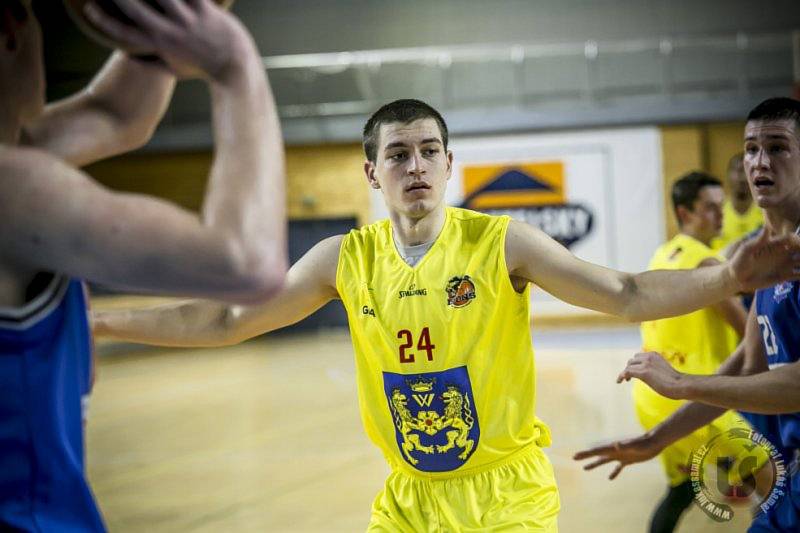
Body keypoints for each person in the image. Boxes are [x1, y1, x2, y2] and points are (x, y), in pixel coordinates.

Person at [94, 98, 800, 531]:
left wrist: (728, 279)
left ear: (450, 162)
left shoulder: (500, 242)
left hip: (506, 497)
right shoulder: (345, 257)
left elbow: (624, 292)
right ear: (372, 172)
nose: (417, 166)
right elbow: (225, 322)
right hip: (408, 500)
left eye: (429, 150)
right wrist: (102, 324)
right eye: (398, 154)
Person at [0, 0, 288, 530]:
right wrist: (234, 64)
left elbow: (117, 115)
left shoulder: (19, 160)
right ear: (13, 27)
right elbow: (248, 264)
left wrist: (172, 21)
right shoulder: (14, 191)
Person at [574, 97, 800, 533]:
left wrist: (681, 385)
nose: (759, 162)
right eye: (751, 148)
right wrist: (657, 438)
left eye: (777, 148)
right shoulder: (762, 255)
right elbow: (747, 363)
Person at [635, 171, 752, 533]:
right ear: (685, 213)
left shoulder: (662, 253)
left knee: (682, 491)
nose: (721, 216)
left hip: (655, 397)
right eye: (711, 209)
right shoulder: (706, 263)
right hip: (702, 400)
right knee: (773, 484)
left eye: (722, 208)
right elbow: (748, 330)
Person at [712, 152, 764, 254]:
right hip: (720, 266)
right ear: (728, 175)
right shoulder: (716, 211)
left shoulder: (767, 211)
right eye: (739, 171)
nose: (743, 177)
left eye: (749, 171)